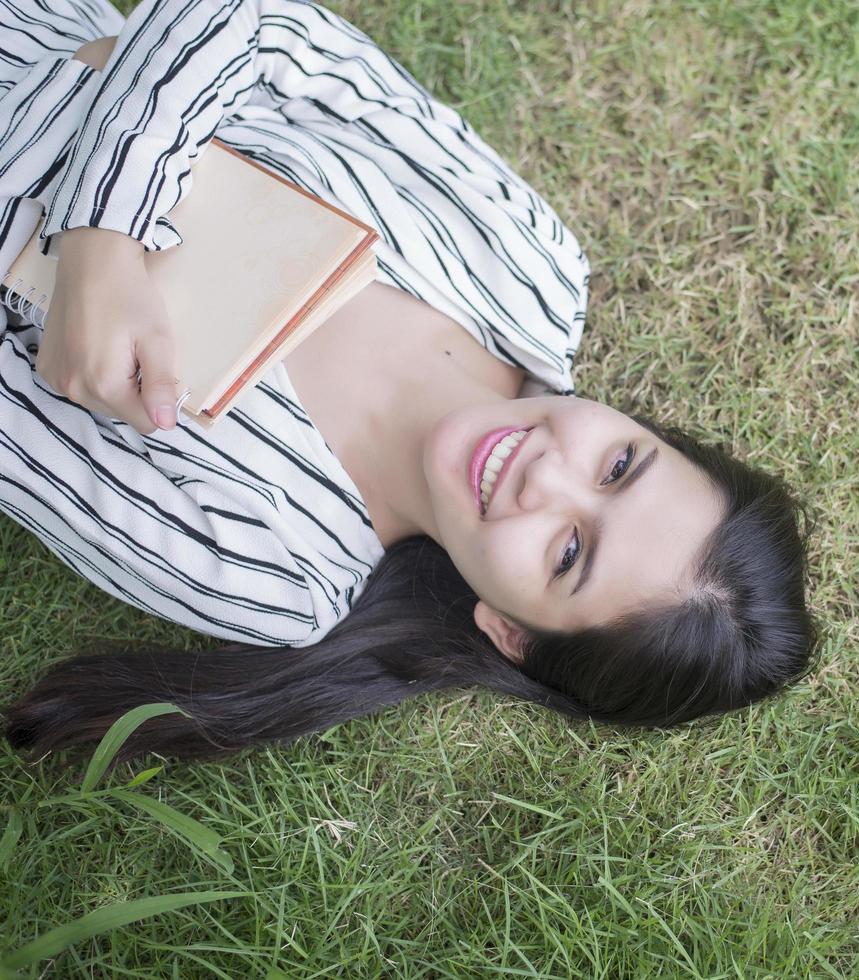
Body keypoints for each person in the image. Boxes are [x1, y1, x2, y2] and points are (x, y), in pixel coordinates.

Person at [0, 0, 815, 763]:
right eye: (619, 467)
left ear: (510, 633)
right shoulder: (530, 266)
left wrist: (130, 90)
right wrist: (101, 235)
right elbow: (253, 21)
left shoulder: (277, 568)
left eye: (568, 553)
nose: (548, 476)